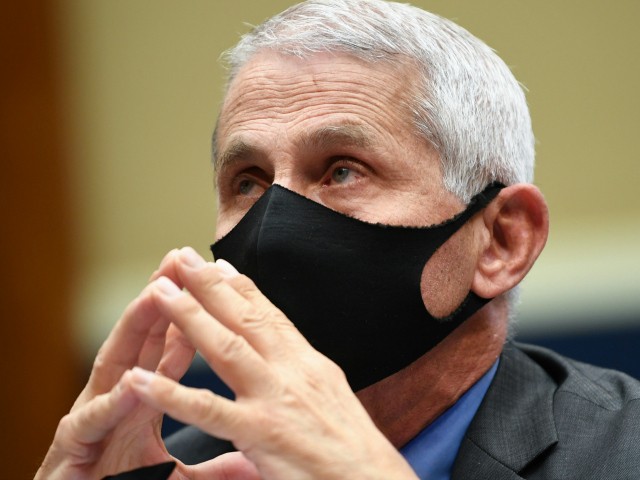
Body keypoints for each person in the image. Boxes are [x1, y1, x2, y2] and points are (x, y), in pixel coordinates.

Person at [36, 1, 640, 479]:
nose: (274, 227)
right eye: (247, 182)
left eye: (342, 170)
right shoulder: (185, 467)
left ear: (503, 242)